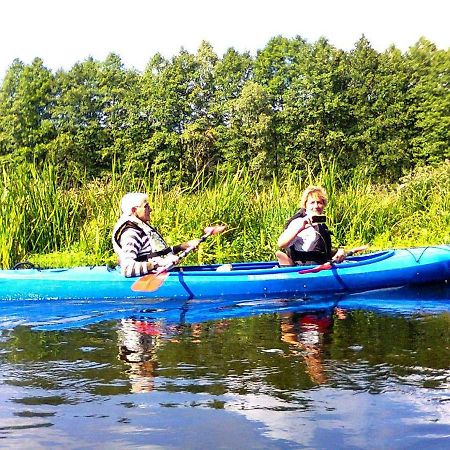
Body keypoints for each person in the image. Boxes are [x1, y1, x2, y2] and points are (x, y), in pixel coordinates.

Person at [112, 192, 200, 277]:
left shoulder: (142, 228)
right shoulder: (131, 233)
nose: (150, 209)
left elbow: (157, 254)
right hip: (148, 280)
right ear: (134, 210)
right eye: (146, 207)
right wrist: (157, 264)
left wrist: (182, 247)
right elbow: (127, 269)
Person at [276, 186, 345, 266]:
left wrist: (340, 251)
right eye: (312, 202)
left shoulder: (321, 224)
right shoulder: (298, 222)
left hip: (320, 266)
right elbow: (281, 244)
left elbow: (322, 251)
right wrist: (300, 228)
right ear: (305, 205)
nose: (316, 206)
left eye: (319, 202)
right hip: (303, 268)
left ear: (323, 205)